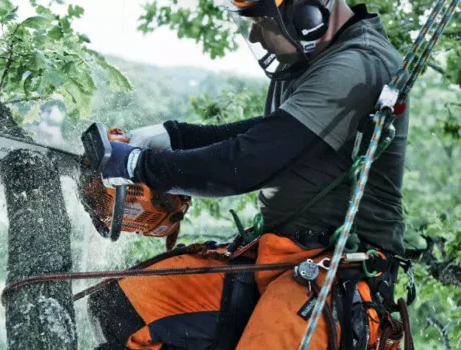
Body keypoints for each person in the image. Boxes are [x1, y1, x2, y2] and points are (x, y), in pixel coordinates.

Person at [88, 0, 409, 349]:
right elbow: (268, 134)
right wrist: (174, 137)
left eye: (259, 21)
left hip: (335, 273)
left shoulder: (358, 64)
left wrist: (139, 166)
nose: (255, 34)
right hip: (274, 258)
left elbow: (245, 162)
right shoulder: (308, 62)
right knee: (123, 307)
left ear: (306, 14)